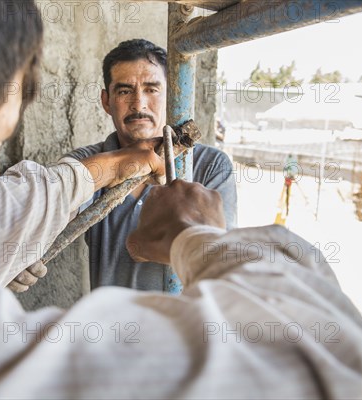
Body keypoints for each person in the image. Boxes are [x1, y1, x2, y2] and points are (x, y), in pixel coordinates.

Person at [0, 1, 362, 398]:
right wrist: (198, 237)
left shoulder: (202, 163)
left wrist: (116, 174)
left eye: (153, 89)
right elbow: (330, 363)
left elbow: (0, 216)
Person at [62, 39, 238, 291]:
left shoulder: (209, 165)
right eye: (124, 91)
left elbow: (221, 260)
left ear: (171, 95)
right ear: (106, 101)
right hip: (110, 328)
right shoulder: (86, 163)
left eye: (152, 89)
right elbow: (45, 213)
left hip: (185, 328)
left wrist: (144, 246)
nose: (139, 104)